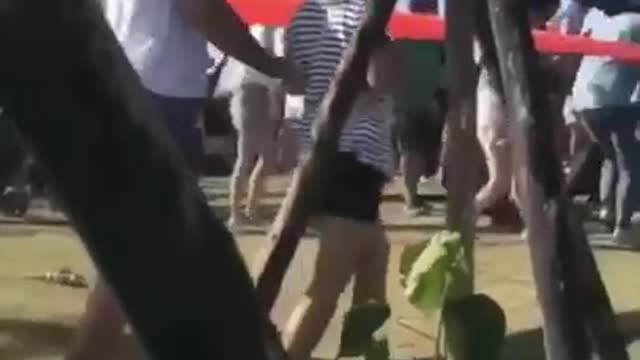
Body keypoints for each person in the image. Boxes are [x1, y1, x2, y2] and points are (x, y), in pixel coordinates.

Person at [66, 1, 295, 359]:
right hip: (160, 97)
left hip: (126, 82)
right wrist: (270, 64)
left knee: (151, 261)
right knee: (139, 263)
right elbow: (202, 10)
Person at [279, 0, 399, 358]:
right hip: (354, 157)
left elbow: (295, 80)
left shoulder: (304, 15)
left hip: (323, 151)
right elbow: (384, 81)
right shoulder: (365, 14)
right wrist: (391, 53)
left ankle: (367, 354)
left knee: (374, 261)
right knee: (326, 288)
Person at [571, 5, 640, 245]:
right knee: (630, 163)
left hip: (584, 99)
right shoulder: (635, 22)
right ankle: (624, 226)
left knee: (611, 156)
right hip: (615, 99)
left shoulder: (597, 19)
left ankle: (607, 212)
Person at [227, 25, 287, 229]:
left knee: (268, 157)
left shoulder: (274, 29)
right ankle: (236, 216)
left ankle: (251, 210)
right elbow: (265, 62)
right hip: (250, 92)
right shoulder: (258, 30)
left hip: (266, 94)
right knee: (246, 157)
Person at [393, 0, 446, 216]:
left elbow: (445, 64)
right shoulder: (399, 32)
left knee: (423, 155)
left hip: (429, 101)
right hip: (405, 102)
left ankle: (413, 196)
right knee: (411, 152)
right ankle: (411, 200)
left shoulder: (437, 31)